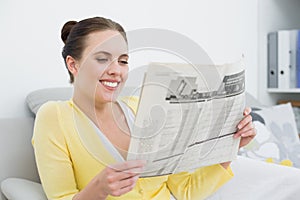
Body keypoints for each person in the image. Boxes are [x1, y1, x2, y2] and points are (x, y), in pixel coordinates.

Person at [32, 16, 256, 200]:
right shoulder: (54, 116)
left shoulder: (143, 107)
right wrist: (98, 189)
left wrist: (231, 146)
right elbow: (61, 196)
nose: (116, 70)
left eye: (123, 61)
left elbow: (186, 190)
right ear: (73, 64)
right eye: (102, 59)